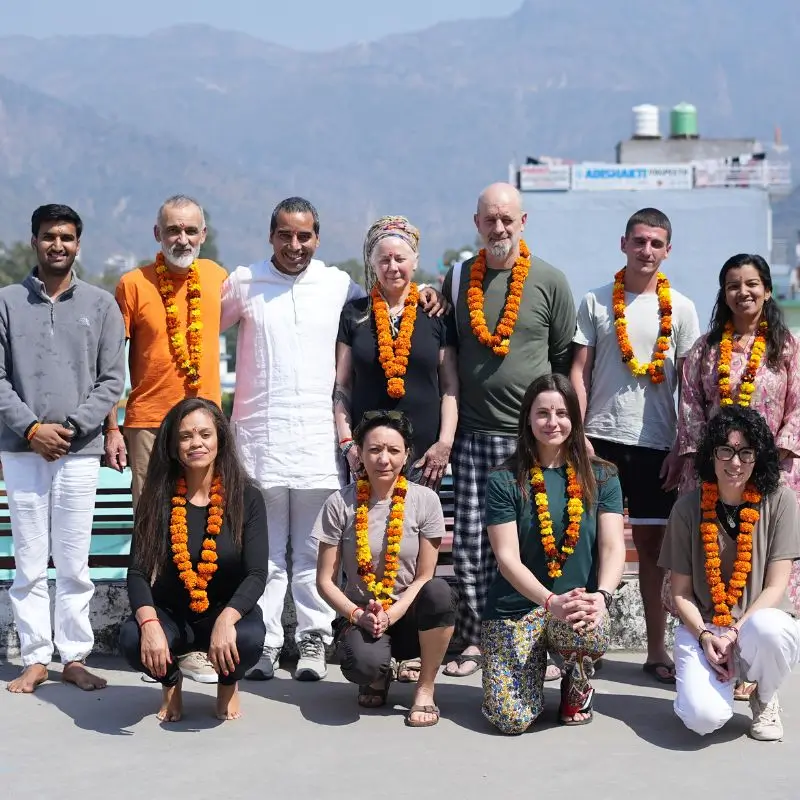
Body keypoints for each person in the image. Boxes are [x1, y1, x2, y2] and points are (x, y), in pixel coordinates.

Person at [221, 197, 444, 683]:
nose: (295, 245)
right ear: (271, 236)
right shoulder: (243, 282)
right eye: (285, 235)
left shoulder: (337, 285)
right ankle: (264, 644)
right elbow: (200, 327)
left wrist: (426, 289)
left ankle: (313, 642)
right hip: (258, 439)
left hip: (318, 443)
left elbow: (388, 298)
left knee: (310, 552)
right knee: (264, 555)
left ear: (317, 239)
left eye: (304, 236)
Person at [440, 182, 576, 678]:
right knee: (474, 545)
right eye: (489, 219)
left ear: (523, 222)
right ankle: (476, 638)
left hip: (532, 441)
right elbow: (448, 349)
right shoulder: (456, 280)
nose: (498, 228)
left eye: (507, 219)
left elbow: (562, 362)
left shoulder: (550, 281)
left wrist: (560, 430)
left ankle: (541, 635)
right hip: (474, 437)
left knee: (537, 540)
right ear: (476, 224)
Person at [571, 207, 701, 685]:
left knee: (652, 550)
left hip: (657, 447)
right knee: (586, 544)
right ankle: (581, 644)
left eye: (657, 243)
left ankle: (655, 649)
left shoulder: (682, 309)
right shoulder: (596, 301)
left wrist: (681, 445)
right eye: (639, 241)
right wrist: (578, 434)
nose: (647, 251)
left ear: (668, 250)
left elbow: (690, 386)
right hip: (598, 442)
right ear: (623, 243)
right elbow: (578, 372)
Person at [0, 204, 126, 693]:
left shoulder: (100, 305)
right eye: (50, 236)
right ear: (34, 241)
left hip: (79, 450)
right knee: (30, 559)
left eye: (67, 238)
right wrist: (32, 430)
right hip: (21, 448)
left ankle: (73, 657)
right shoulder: (7, 302)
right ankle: (34, 657)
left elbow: (112, 378)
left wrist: (71, 428)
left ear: (79, 244)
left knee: (73, 560)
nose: (58, 245)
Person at [107, 195, 227, 683]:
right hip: (147, 426)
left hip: (205, 428)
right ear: (157, 234)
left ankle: (197, 641)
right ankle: (156, 635)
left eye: (191, 230)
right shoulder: (132, 285)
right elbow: (110, 364)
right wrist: (111, 425)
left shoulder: (219, 279)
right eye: (172, 230)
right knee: (154, 535)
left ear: (203, 235)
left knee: (207, 533)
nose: (182, 239)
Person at [481, 374, 625, 733]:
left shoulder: (602, 476)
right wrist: (549, 601)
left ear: (574, 419)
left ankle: (576, 686)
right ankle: (526, 679)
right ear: (528, 419)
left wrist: (602, 596)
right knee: (510, 719)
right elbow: (507, 558)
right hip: (518, 607)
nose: (552, 422)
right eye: (542, 412)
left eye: (562, 412)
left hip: (576, 603)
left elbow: (612, 545)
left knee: (588, 629)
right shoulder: (504, 480)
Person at [119, 398, 268, 721]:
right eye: (185, 436)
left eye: (204, 434)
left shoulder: (247, 497)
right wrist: (150, 624)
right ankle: (170, 684)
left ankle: (228, 685)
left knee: (249, 639)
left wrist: (227, 621)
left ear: (220, 439)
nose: (196, 443)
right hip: (171, 612)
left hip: (224, 611)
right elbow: (137, 573)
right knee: (133, 639)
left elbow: (256, 573)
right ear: (173, 447)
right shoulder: (157, 497)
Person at [659, 406, 800, 741]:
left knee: (771, 629)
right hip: (705, 629)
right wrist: (707, 636)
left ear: (758, 457)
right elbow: (680, 593)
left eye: (745, 452)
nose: (735, 463)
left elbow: (777, 585)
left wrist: (735, 632)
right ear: (712, 455)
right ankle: (708, 680)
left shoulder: (781, 501)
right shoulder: (686, 508)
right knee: (703, 719)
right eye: (726, 450)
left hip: (753, 624)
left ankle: (763, 695)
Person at [314, 410, 455, 727]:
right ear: (360, 453)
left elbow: (425, 576)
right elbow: (325, 581)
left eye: (393, 450)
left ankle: (425, 689)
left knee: (440, 593)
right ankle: (377, 675)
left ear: (406, 455)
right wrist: (358, 615)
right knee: (363, 666)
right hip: (362, 615)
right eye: (374, 449)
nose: (383, 459)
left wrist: (394, 612)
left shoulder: (425, 500)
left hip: (408, 613)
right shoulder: (340, 503)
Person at [335, 215, 458, 489]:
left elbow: (449, 386)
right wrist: (348, 445)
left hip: (425, 459)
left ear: (415, 261)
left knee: (421, 529)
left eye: (400, 259)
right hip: (367, 456)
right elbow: (343, 384)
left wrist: (444, 443)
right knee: (368, 530)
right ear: (372, 264)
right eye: (384, 260)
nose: (392, 267)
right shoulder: (354, 315)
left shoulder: (435, 313)